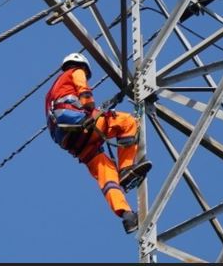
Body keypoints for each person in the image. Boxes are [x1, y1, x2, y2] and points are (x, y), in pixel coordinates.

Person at [44, 53, 152, 234]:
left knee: (107, 175)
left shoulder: (51, 92)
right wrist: (89, 107)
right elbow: (84, 91)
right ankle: (126, 170)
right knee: (127, 122)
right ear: (82, 66)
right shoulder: (76, 71)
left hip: (73, 142)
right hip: (81, 126)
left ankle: (127, 216)